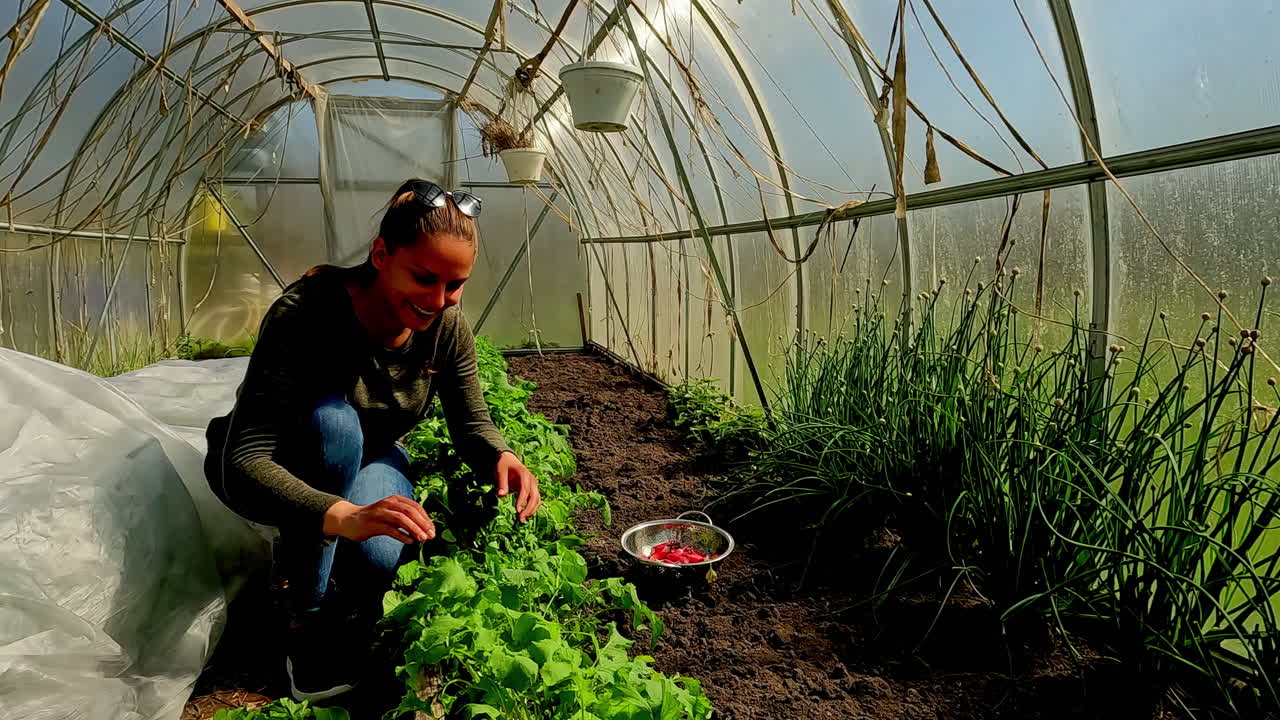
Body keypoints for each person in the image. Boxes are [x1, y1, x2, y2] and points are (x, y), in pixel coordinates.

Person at [204, 178, 541, 701]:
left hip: (369, 454)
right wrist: (342, 515)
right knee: (334, 426)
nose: (439, 300)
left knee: (379, 556)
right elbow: (244, 460)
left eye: (455, 285)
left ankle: (317, 549)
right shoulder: (307, 314)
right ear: (381, 254)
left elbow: (471, 423)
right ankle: (303, 620)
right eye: (425, 278)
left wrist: (502, 456)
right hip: (279, 458)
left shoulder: (445, 325)